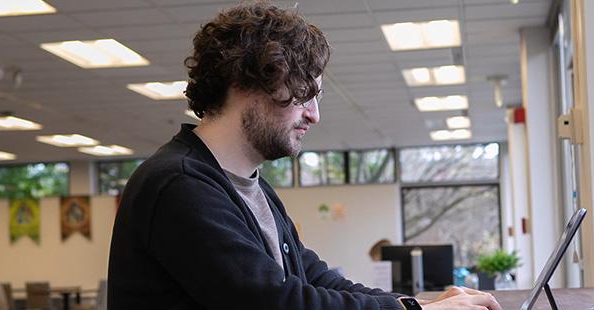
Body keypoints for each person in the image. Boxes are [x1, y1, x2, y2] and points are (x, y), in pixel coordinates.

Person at [107, 2, 502, 309]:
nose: (313, 114)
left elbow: (313, 279)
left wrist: (417, 304)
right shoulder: (179, 184)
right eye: (303, 94)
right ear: (247, 81)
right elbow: (272, 302)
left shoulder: (252, 188)